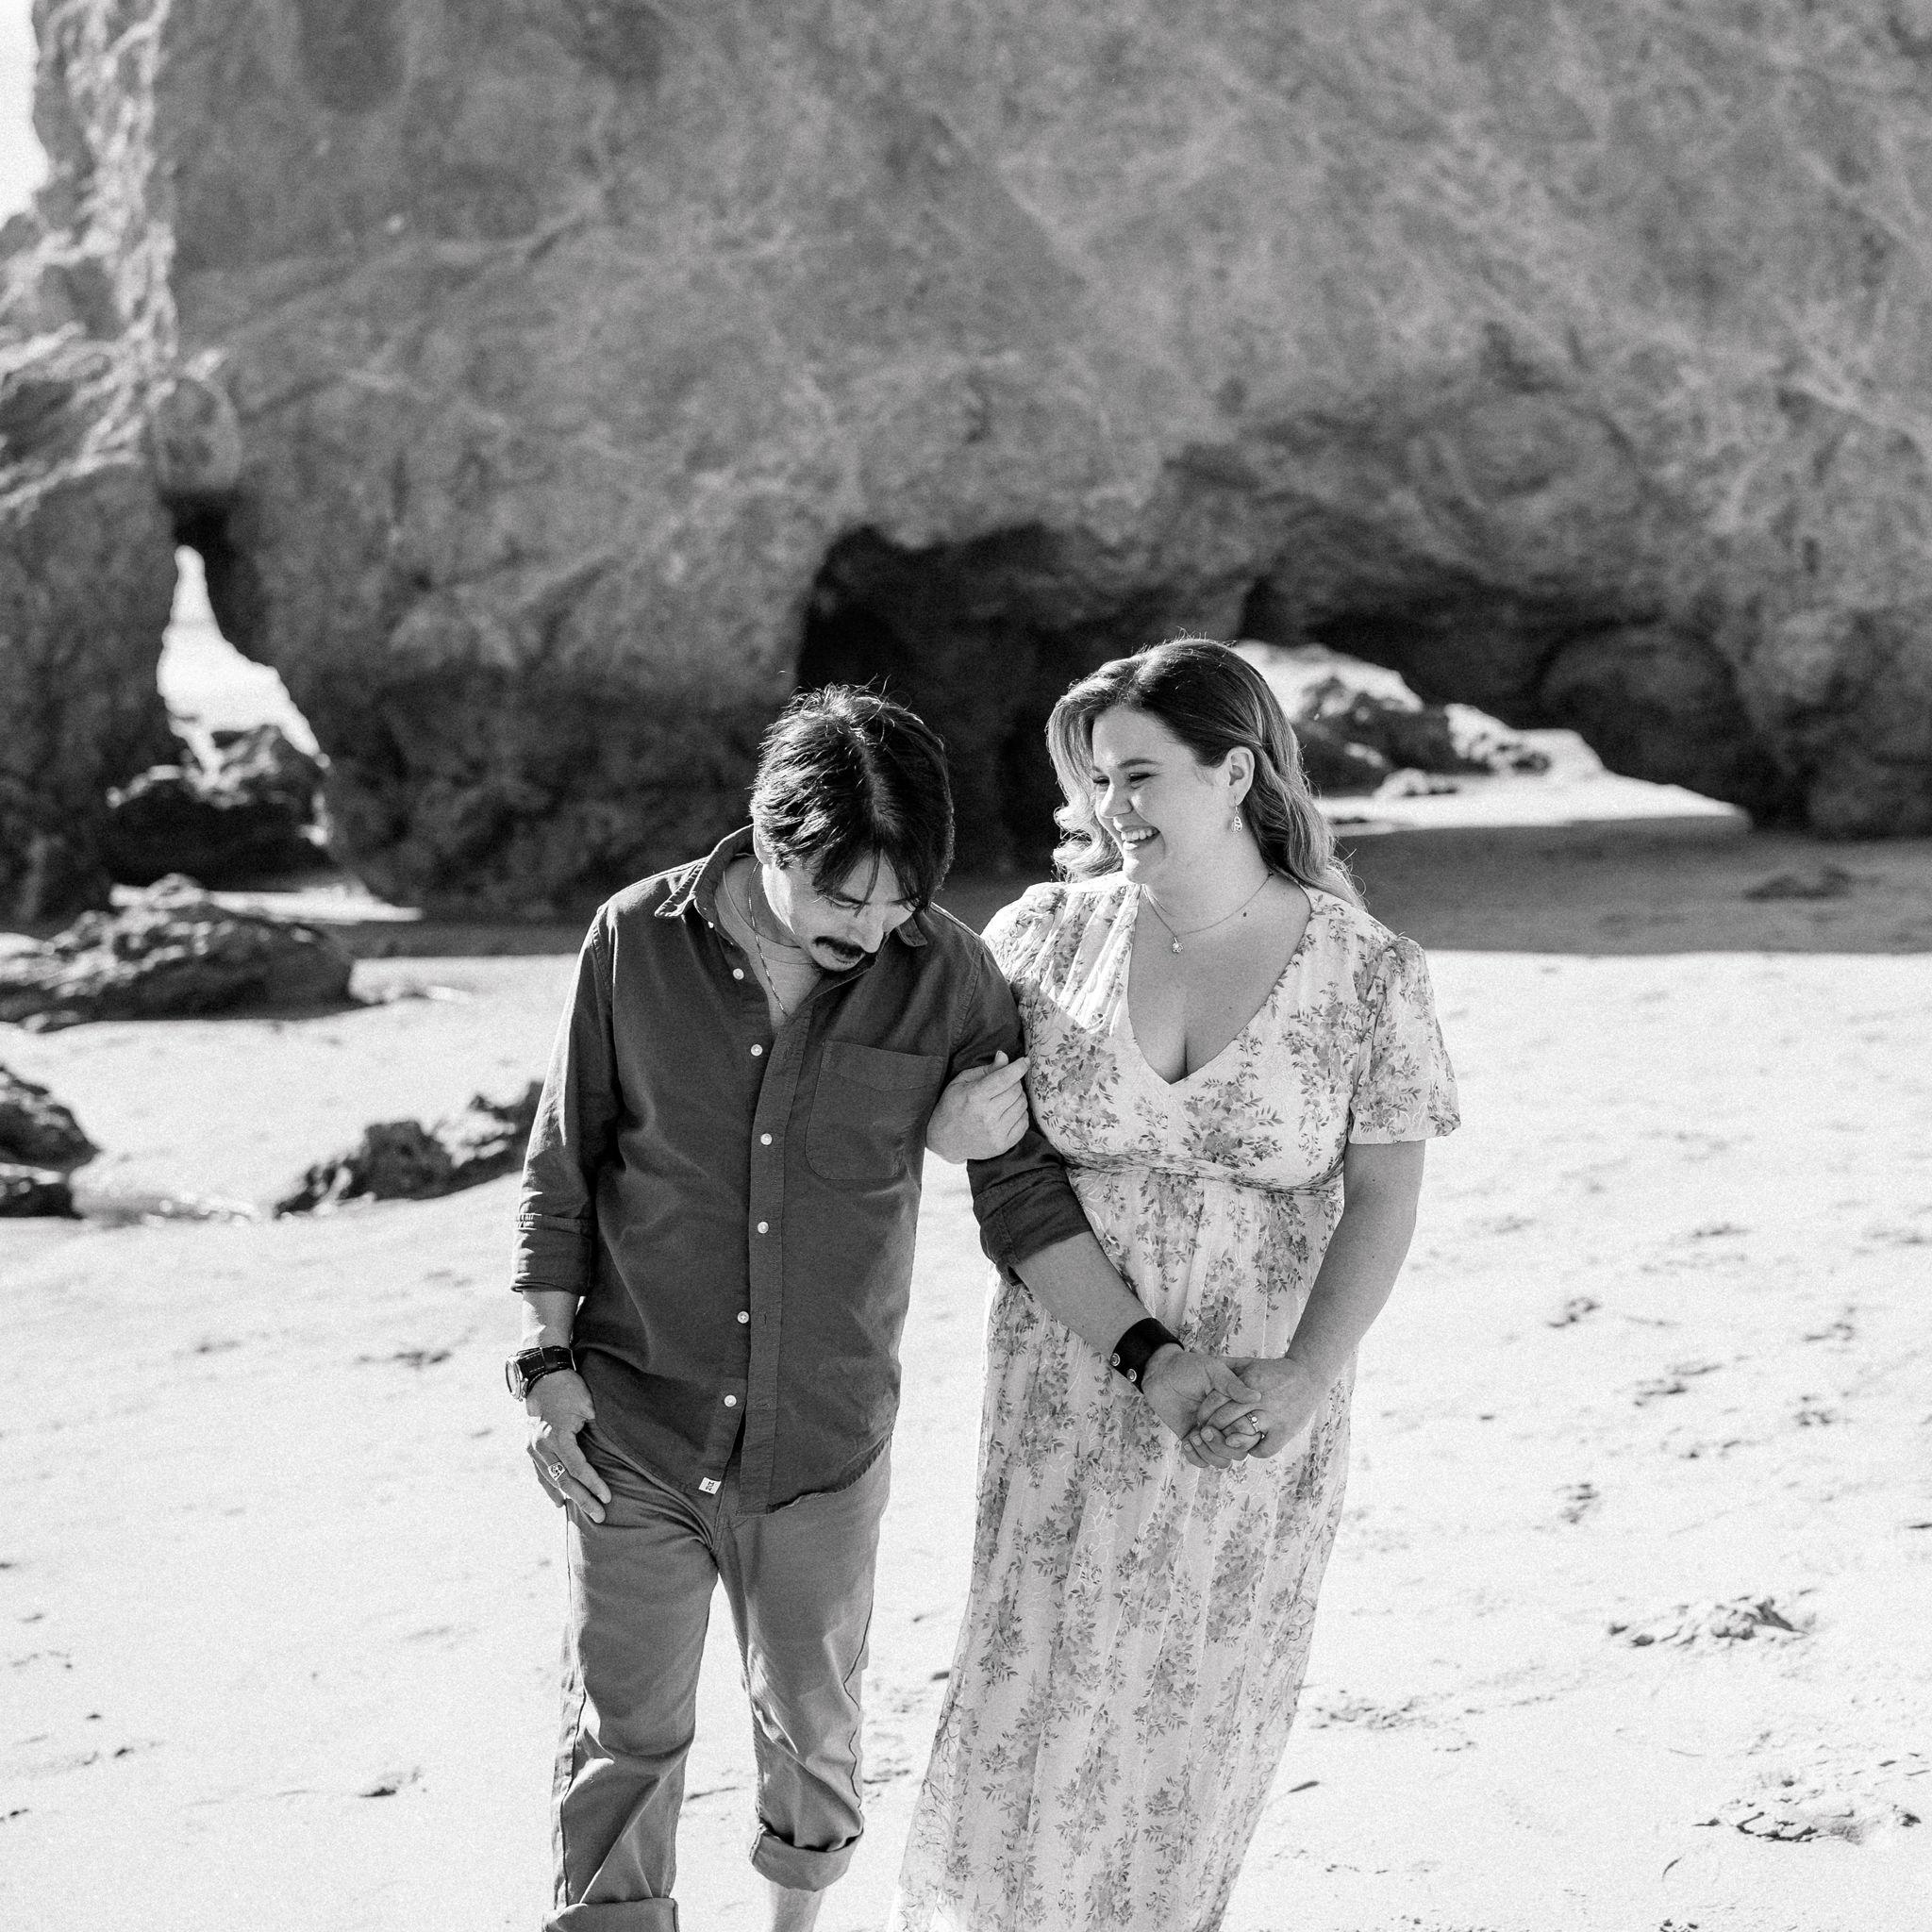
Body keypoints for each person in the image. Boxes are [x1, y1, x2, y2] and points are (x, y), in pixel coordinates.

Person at [508, 685, 1258, 1932]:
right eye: (845, 899)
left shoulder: (950, 980)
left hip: (821, 1440)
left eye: (901, 899)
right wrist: (544, 1364)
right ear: (769, 836)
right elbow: (563, 1169)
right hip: (632, 1424)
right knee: (620, 1739)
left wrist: (1147, 1352)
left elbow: (1025, 1204)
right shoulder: (634, 941)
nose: (874, 929)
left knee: (811, 1727)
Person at [890, 640, 1460, 1932]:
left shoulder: (1370, 970)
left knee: (1197, 1706)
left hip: (1257, 1401)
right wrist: (948, 1132)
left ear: (1237, 772)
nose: (1112, 808)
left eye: (1140, 775)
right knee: (1034, 1685)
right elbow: (1000, 1168)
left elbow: (1384, 1199)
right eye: (1098, 780)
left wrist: (1303, 1375)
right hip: (1071, 1373)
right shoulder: (1042, 939)